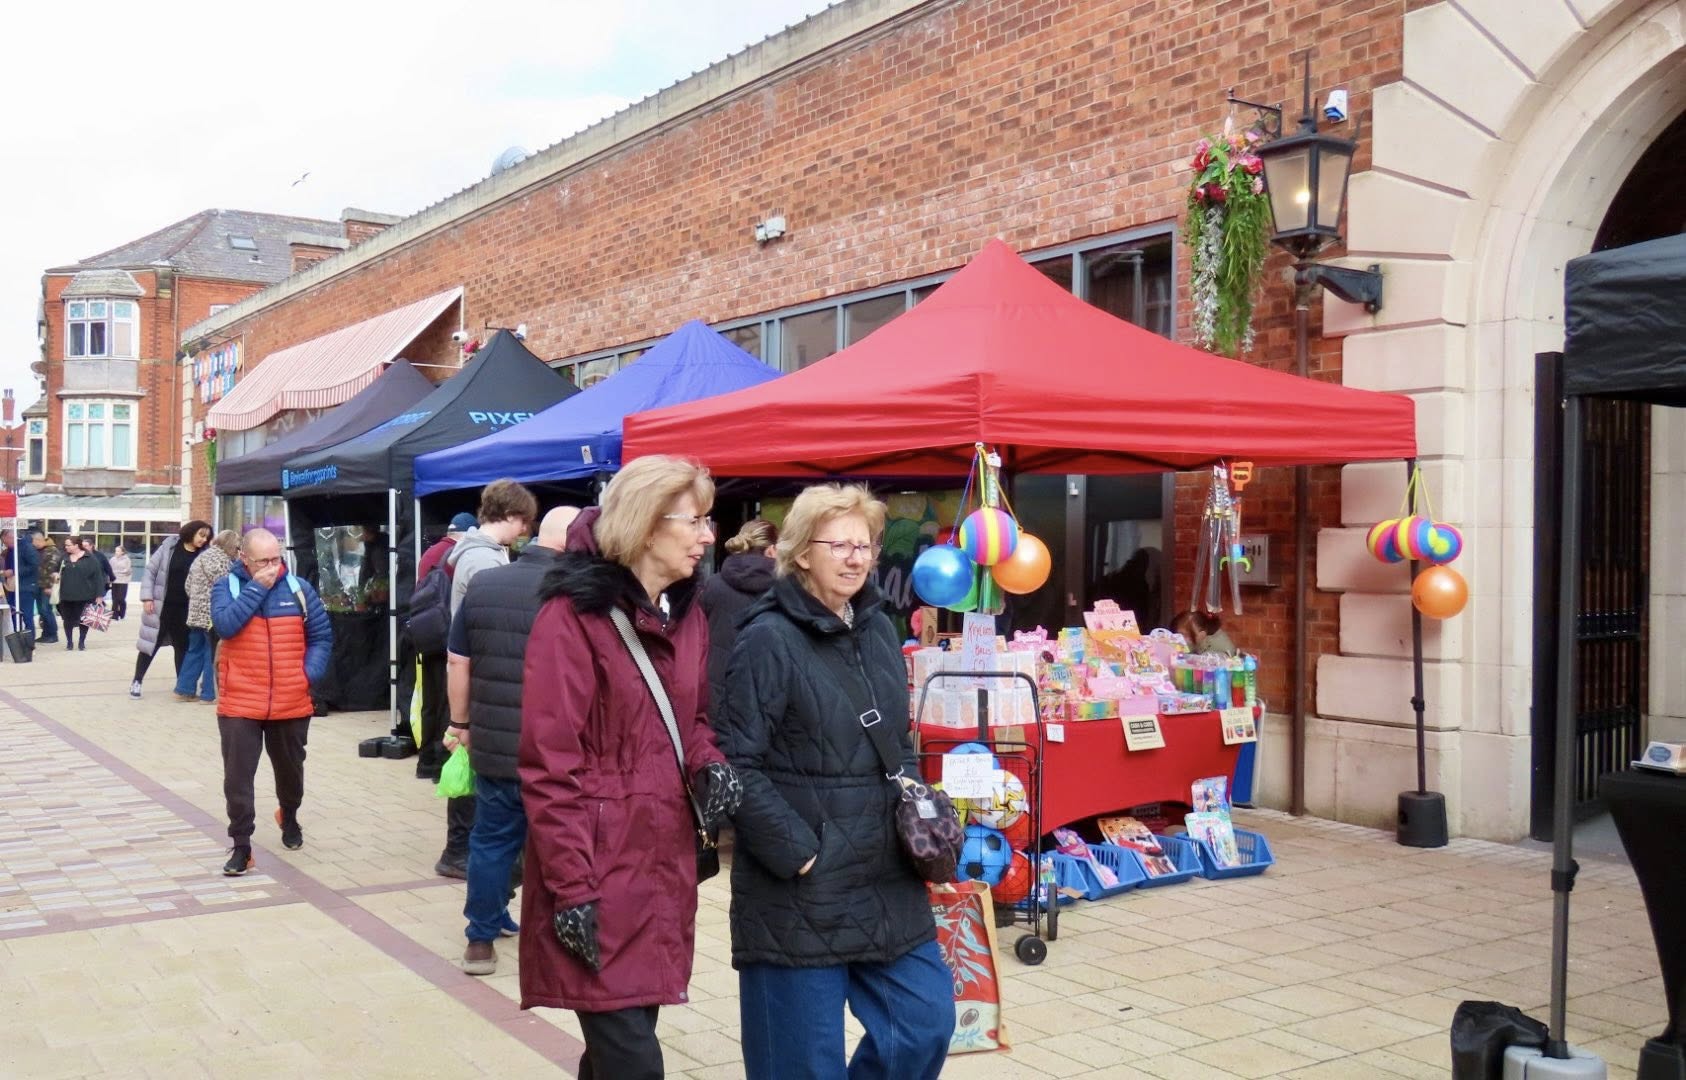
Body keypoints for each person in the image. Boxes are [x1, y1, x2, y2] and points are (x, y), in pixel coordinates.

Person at [718, 483, 955, 1080]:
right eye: (839, 545)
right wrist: (799, 854)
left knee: (924, 1024)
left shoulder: (876, 627)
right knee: (800, 1065)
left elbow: (895, 741)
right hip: (801, 887)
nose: (857, 557)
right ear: (800, 551)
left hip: (884, 873)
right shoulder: (767, 637)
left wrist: (921, 820)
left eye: (867, 545)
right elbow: (733, 761)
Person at [519, 456, 739, 1080]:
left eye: (707, 520)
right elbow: (547, 764)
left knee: (623, 1042)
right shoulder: (573, 618)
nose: (707, 535)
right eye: (694, 521)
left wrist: (710, 763)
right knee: (635, 1062)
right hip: (594, 865)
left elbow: (689, 721)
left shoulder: (686, 613)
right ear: (646, 526)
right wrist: (570, 889)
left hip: (660, 862)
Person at [444, 505, 577, 976]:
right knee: (559, 843)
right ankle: (563, 934)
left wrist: (460, 723)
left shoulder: (486, 583)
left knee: (492, 840)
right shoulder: (580, 593)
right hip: (560, 749)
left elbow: (458, 661)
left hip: (496, 746)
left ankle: (481, 936)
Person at [211, 528, 332, 876]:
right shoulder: (228, 587)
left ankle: (289, 815)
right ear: (243, 559)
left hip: (290, 699)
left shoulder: (299, 589)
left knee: (291, 772)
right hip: (240, 701)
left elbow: (322, 636)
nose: (272, 567)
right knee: (238, 779)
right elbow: (225, 626)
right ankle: (241, 846)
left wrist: (308, 675)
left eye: (277, 559)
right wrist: (256, 588)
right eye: (263, 561)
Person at [432, 478, 537, 877]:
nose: (526, 530)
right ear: (510, 516)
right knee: (472, 762)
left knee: (471, 760)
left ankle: (461, 850)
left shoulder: (481, 553)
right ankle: (458, 851)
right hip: (480, 676)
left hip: (475, 673)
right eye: (524, 521)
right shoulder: (484, 560)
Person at [396, 512, 477, 744]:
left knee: (429, 700)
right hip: (445, 635)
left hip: (425, 634)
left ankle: (426, 759)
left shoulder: (429, 553)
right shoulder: (456, 556)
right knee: (445, 700)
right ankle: (439, 759)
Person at [700, 518, 778, 713]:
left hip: (716, 691)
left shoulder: (712, 585)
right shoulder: (787, 591)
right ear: (772, 550)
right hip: (768, 693)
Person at [132, 521, 211, 698]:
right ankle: (137, 681)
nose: (203, 540)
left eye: (206, 537)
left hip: (186, 609)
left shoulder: (204, 554)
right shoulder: (169, 547)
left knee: (182, 647)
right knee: (149, 645)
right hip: (161, 607)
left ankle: (182, 685)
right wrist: (147, 597)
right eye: (201, 535)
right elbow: (150, 572)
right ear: (191, 532)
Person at [176, 530, 237, 703]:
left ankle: (185, 689)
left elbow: (188, 585)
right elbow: (228, 589)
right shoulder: (225, 562)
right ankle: (208, 694)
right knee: (212, 654)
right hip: (212, 616)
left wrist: (197, 600)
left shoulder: (200, 558)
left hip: (195, 613)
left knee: (194, 650)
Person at [56, 536, 107, 652]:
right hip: (66, 595)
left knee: (84, 619)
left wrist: (99, 595)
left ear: (76, 545)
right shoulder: (63, 558)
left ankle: (81, 641)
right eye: (66, 545)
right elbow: (56, 571)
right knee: (67, 619)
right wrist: (55, 576)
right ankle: (69, 642)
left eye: (68, 545)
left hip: (85, 595)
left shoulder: (90, 558)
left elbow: (98, 577)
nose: (66, 547)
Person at [32, 529, 61, 644]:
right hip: (39, 584)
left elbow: (52, 569)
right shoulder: (39, 550)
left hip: (47, 586)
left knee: (46, 610)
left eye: (33, 541)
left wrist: (49, 586)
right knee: (41, 610)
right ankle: (46, 633)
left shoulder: (52, 551)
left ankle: (53, 634)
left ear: (39, 540)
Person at [1171, 609, 1239, 656]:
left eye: (1185, 635)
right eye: (1179, 634)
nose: (1181, 638)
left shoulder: (1218, 647)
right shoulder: (1197, 637)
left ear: (1202, 634)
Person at [109, 543, 133, 620]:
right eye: (116, 551)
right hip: (114, 581)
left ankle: (122, 613)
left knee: (121, 598)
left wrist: (117, 572)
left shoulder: (127, 560)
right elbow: (110, 570)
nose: (116, 552)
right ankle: (114, 615)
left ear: (122, 552)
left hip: (123, 581)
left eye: (118, 551)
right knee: (114, 598)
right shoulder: (112, 559)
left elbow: (127, 570)